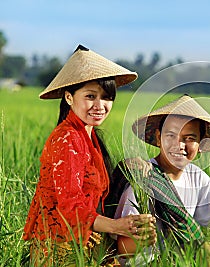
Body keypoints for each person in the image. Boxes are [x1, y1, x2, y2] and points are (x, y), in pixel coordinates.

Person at [23, 45, 156, 266]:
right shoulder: (67, 140)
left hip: (86, 241)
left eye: (107, 97)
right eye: (90, 96)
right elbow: (71, 207)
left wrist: (125, 168)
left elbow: (92, 190)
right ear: (68, 97)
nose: (100, 106)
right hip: (60, 248)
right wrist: (118, 226)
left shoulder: (89, 137)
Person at [114, 94, 210, 265]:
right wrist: (143, 238)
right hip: (147, 263)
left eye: (190, 138)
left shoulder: (195, 176)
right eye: (171, 135)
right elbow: (122, 247)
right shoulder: (143, 178)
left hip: (181, 260)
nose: (180, 145)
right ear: (159, 137)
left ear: (200, 146)